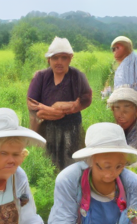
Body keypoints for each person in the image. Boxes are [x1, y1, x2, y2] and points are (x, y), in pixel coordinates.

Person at [27, 37, 92, 171]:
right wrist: (50, 111)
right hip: (46, 128)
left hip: (72, 129)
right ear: (49, 59)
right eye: (55, 58)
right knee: (48, 166)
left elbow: (87, 98)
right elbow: (31, 101)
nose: (59, 62)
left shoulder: (78, 76)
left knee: (72, 165)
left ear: (70, 58)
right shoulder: (41, 76)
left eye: (64, 58)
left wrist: (70, 107)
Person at [107, 86, 137, 151]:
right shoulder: (116, 128)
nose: (121, 114)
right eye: (117, 108)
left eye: (127, 107)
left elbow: (130, 155)